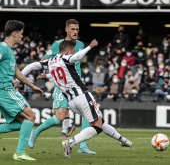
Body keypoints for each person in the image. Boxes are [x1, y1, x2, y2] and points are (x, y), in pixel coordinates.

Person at [21, 40, 132, 158]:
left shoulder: (50, 62)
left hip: (72, 101)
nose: (73, 53)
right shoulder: (66, 58)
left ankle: (123, 140)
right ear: (68, 51)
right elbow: (76, 57)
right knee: (97, 127)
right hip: (82, 96)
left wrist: (18, 79)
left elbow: (31, 66)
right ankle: (70, 143)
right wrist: (90, 47)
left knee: (100, 121)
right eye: (73, 51)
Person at [26, 19, 95, 154]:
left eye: (77, 29)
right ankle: (35, 132)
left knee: (88, 115)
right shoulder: (58, 45)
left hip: (77, 87)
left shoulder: (80, 44)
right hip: (61, 86)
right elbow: (44, 61)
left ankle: (82, 146)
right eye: (72, 29)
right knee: (60, 117)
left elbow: (78, 64)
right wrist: (46, 72)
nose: (75, 32)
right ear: (66, 30)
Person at [0, 20, 43, 161]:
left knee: (22, 122)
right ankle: (19, 153)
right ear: (14, 33)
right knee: (30, 116)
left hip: (5, 88)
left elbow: (16, 72)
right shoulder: (3, 48)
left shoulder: (9, 51)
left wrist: (32, 86)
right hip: (4, 88)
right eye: (21, 34)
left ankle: (19, 152)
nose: (22, 37)